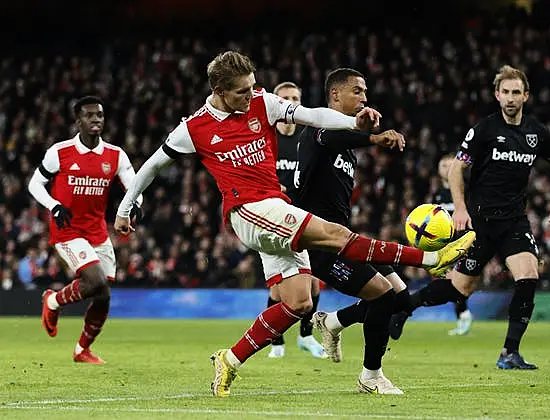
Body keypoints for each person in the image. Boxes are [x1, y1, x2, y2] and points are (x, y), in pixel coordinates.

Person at [114, 51, 475, 397]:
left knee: (299, 303)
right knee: (335, 235)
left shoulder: (262, 102)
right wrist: (126, 207)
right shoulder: (194, 128)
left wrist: (354, 122)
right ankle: (430, 259)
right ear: (219, 92)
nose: (250, 95)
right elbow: (151, 166)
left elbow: (314, 115)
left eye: (253, 86)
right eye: (241, 91)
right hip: (248, 211)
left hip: (276, 208)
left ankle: (229, 359)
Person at [389, 65, 550, 370]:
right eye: (506, 92)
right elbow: (458, 168)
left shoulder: (537, 132)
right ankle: (405, 307)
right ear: (497, 95)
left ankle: (509, 353)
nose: (511, 98)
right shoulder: (484, 130)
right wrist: (460, 208)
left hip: (514, 220)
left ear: (526, 95)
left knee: (528, 277)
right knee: (460, 289)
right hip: (481, 222)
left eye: (517, 92)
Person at [293, 68, 417, 394]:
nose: (364, 98)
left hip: (342, 238)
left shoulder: (346, 145)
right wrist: (373, 137)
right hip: (319, 243)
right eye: (358, 91)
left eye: (365, 92)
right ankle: (371, 377)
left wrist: (361, 130)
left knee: (398, 297)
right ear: (335, 94)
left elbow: (342, 138)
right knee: (383, 295)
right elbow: (329, 136)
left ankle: (333, 321)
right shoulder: (317, 128)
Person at [28, 96, 143, 364]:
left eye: (100, 115)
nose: (96, 120)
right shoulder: (60, 152)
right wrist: (54, 205)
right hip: (67, 230)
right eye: (90, 116)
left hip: (97, 232)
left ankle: (82, 350)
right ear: (78, 120)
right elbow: (35, 184)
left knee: (102, 295)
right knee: (95, 282)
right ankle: (53, 301)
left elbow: (134, 186)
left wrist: (135, 205)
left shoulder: (115, 155)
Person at [266, 81, 326, 359]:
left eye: (295, 98)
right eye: (285, 98)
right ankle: (276, 341)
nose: (290, 102)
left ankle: (305, 335)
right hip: (273, 221)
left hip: (304, 218)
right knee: (280, 290)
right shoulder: (266, 138)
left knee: (313, 282)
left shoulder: (307, 138)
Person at [388, 154, 473, 339]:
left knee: (457, 283)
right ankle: (462, 315)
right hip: (444, 248)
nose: (447, 169)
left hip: (465, 244)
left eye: (451, 166)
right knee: (454, 283)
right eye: (443, 166)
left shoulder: (467, 190)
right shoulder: (437, 195)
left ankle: (462, 314)